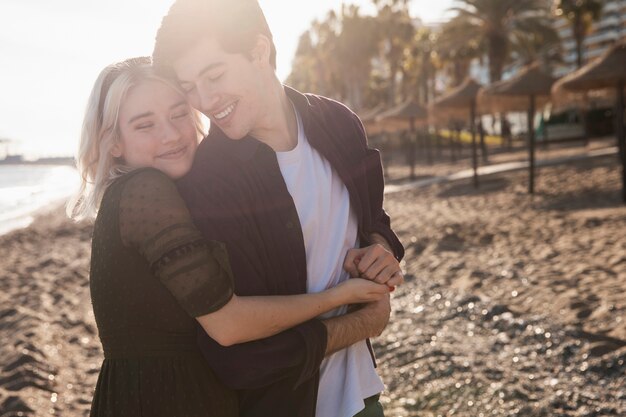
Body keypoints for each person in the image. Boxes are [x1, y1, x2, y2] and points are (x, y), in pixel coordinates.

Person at [68, 56, 392, 417]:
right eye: (145, 125)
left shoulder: (159, 193)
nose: (171, 135)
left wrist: (379, 244)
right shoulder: (146, 189)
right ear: (113, 142)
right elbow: (227, 323)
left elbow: (370, 212)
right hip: (162, 400)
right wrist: (340, 299)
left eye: (178, 114)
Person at [152, 1, 406, 416]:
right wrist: (363, 323)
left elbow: (374, 219)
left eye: (214, 75)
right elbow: (240, 358)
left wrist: (380, 250)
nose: (205, 100)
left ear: (259, 50)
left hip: (361, 396)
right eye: (189, 86)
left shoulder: (338, 123)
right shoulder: (211, 182)